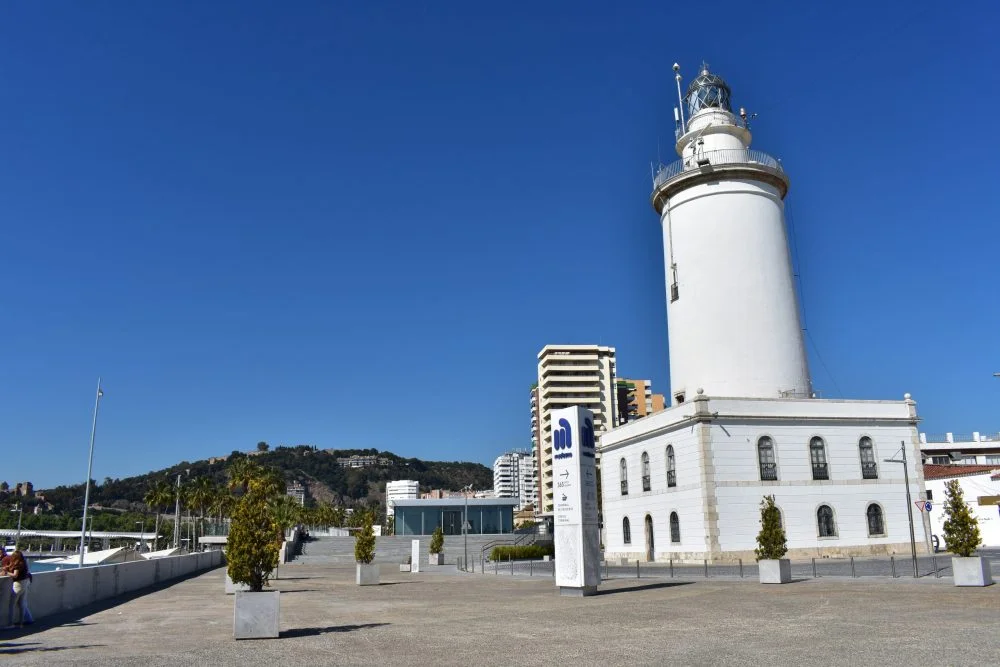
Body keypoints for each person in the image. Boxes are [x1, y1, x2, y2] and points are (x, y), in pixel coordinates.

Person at [2, 549, 33, 628]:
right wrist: (7, 568)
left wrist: (6, 572)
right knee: (22, 604)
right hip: (25, 583)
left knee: (11, 605)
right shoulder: (23, 563)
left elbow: (15, 575)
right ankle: (21, 623)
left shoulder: (18, 564)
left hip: (18, 585)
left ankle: (11, 624)